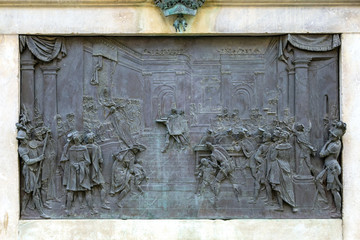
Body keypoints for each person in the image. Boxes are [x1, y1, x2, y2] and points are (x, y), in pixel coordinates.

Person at [316, 121, 346, 218]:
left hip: (332, 168)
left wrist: (327, 143)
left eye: (332, 135)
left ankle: (338, 211)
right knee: (318, 180)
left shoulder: (334, 145)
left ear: (336, 137)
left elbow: (321, 154)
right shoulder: (335, 142)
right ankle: (326, 201)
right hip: (328, 167)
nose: (330, 136)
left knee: (334, 190)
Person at [17, 129, 50, 219]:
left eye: (22, 139)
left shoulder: (32, 143)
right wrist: (39, 158)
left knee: (28, 192)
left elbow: (43, 143)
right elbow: (27, 161)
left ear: (26, 138)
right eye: (20, 139)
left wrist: (47, 134)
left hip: (35, 170)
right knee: (34, 191)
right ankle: (41, 213)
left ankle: (23, 211)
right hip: (28, 171)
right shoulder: (22, 149)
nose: (21, 141)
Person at [61, 132, 95, 215]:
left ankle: (68, 210)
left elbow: (68, 161)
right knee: (87, 191)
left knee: (71, 191)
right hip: (82, 173)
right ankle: (91, 210)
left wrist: (75, 165)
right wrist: (80, 165)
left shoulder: (70, 149)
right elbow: (88, 161)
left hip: (73, 172)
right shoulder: (83, 149)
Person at [268, 130, 297, 212]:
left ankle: (281, 206)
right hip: (287, 167)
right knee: (289, 188)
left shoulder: (277, 147)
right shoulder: (290, 147)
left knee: (278, 187)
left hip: (278, 168)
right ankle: (293, 206)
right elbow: (292, 160)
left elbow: (273, 157)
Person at [84, 132, 110, 210]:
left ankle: (90, 208)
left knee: (88, 189)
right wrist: (100, 167)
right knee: (103, 186)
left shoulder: (83, 147)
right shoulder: (96, 147)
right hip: (95, 170)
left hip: (86, 170)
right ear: (93, 139)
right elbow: (100, 160)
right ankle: (103, 203)